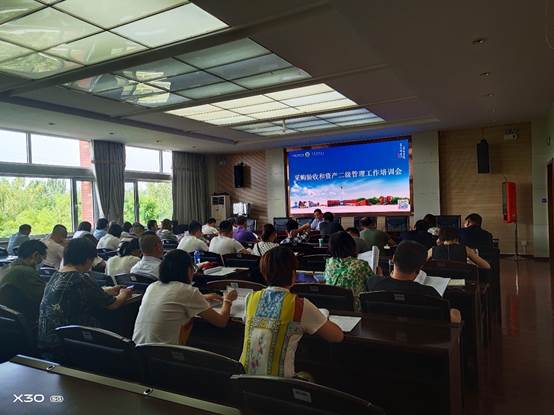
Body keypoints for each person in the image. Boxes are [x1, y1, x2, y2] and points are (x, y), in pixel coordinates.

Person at [240, 247, 344, 377]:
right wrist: (323, 317)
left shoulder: (250, 298)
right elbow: (337, 336)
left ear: (264, 273)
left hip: (245, 379)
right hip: (280, 384)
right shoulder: (299, 305)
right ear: (293, 274)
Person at [38, 238, 133, 356]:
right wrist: (124, 293)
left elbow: (81, 292)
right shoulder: (81, 278)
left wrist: (108, 291)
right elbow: (113, 304)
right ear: (87, 259)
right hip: (71, 343)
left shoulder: (56, 275)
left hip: (49, 340)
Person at [132, 250, 238, 346]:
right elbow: (221, 321)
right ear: (187, 270)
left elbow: (174, 299)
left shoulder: (153, 286)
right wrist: (228, 300)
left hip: (137, 350)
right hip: (162, 355)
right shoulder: (187, 291)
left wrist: (202, 297)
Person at [366, 241, 461, 323]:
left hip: (382, 335)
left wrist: (381, 278)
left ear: (393, 259)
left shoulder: (373, 283)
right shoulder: (429, 293)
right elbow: (454, 319)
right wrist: (455, 312)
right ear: (420, 268)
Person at [0, 240, 47, 330]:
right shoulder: (26, 272)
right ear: (35, 255)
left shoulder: (8, 267)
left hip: (6, 321)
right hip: (22, 323)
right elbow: (45, 297)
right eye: (42, 258)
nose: (42, 262)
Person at [325, 232, 374, 310]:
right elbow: (373, 285)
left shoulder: (329, 262)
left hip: (333, 307)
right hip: (355, 309)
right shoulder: (361, 265)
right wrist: (380, 275)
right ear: (352, 245)